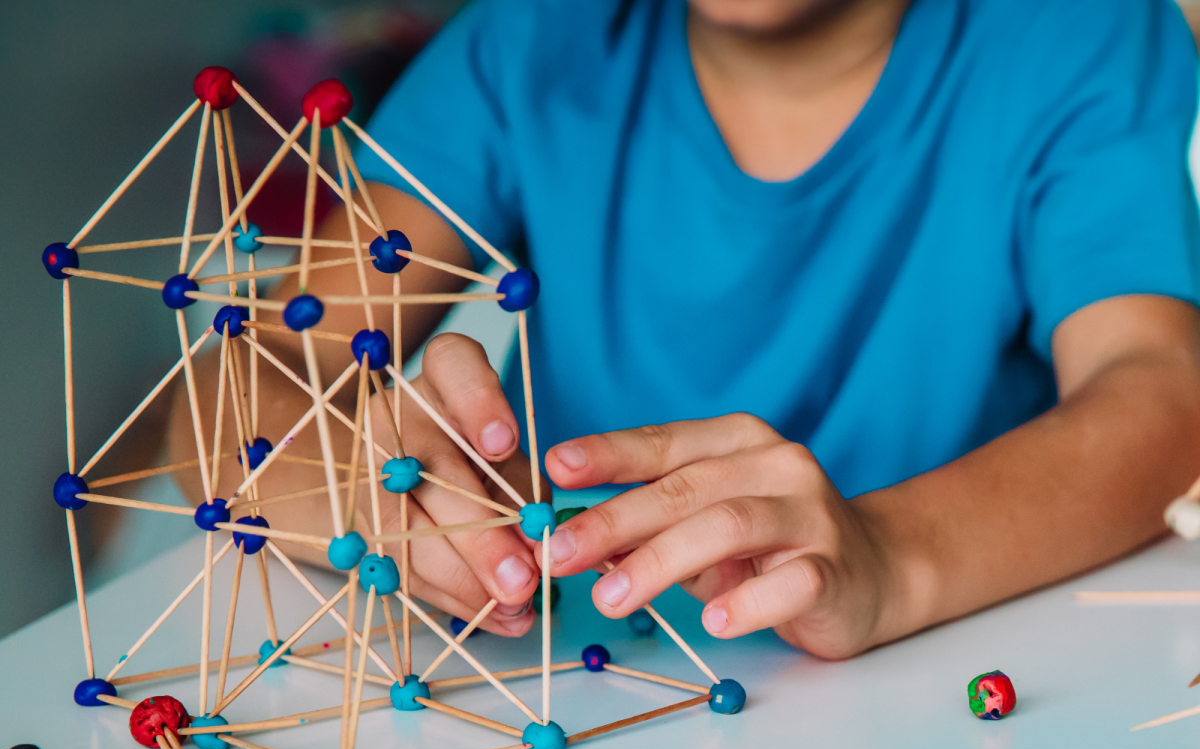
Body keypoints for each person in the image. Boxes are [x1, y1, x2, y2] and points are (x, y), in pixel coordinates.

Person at [170, 0, 1200, 658]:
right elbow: (248, 366)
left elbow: (1162, 388)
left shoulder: (1081, 31)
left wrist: (893, 556)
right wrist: (354, 477)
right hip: (585, 696)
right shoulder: (525, 41)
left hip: (961, 684)